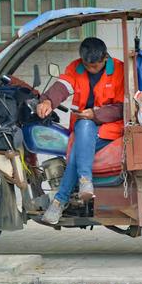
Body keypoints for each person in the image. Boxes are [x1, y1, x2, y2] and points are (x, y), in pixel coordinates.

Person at [37, 37, 124, 224]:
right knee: (84, 127)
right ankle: (84, 181)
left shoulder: (119, 70)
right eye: (87, 65)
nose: (91, 69)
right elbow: (63, 86)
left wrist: (96, 114)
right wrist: (48, 101)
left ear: (105, 58)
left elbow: (122, 107)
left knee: (77, 151)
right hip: (84, 124)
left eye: (95, 66)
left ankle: (60, 200)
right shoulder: (75, 68)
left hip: (109, 127)